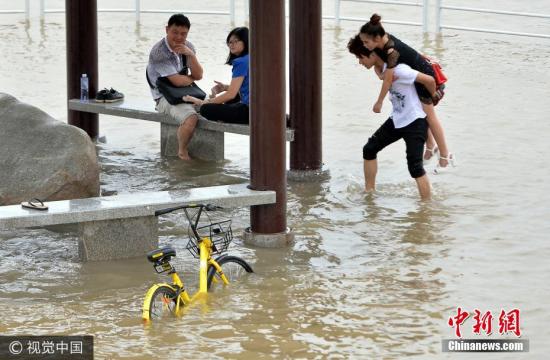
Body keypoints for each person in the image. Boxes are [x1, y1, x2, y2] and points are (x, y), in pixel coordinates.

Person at [359, 14, 455, 173]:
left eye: (366, 42)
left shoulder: (391, 52)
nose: (365, 45)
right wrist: (381, 74)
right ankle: (430, 146)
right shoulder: (381, 42)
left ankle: (445, 156)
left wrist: (380, 101)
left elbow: (388, 80)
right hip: (415, 75)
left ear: (376, 38)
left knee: (430, 116)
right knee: (421, 113)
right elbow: (380, 70)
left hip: (424, 76)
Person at [347, 35, 431, 200]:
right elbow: (381, 70)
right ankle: (369, 194)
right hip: (398, 119)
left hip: (415, 121)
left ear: (372, 53)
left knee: (415, 168)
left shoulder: (399, 70)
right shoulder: (383, 68)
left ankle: (427, 208)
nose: (359, 62)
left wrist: (431, 98)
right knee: (369, 149)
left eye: (360, 57)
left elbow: (429, 79)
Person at [146, 13, 204, 160]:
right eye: (175, 32)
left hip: (184, 92)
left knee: (212, 110)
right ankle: (182, 152)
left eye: (183, 34)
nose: (179, 37)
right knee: (191, 118)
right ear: (167, 30)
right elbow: (177, 82)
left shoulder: (188, 46)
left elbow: (199, 75)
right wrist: (190, 78)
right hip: (163, 96)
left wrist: (191, 55)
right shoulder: (158, 52)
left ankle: (206, 158)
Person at [183, 27, 250, 125]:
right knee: (232, 99)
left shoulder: (240, 62)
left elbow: (230, 94)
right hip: (261, 110)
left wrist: (205, 102)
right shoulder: (252, 57)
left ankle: (217, 109)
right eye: (229, 42)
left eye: (235, 41)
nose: (232, 45)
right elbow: (248, 86)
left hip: (250, 113)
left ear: (246, 41)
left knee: (206, 109)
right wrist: (226, 87)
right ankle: (225, 112)